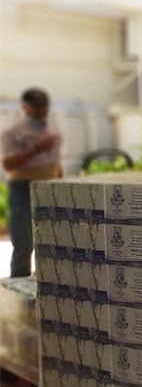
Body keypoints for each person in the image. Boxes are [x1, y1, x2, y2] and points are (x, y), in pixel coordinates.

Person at [1, 88, 62, 277]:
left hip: (49, 184)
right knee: (24, 240)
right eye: (35, 107)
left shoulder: (51, 130)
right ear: (25, 108)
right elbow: (8, 163)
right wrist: (36, 149)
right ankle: (20, 281)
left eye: (43, 106)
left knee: (51, 236)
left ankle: (48, 280)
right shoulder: (15, 133)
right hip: (23, 186)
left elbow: (55, 160)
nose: (40, 111)